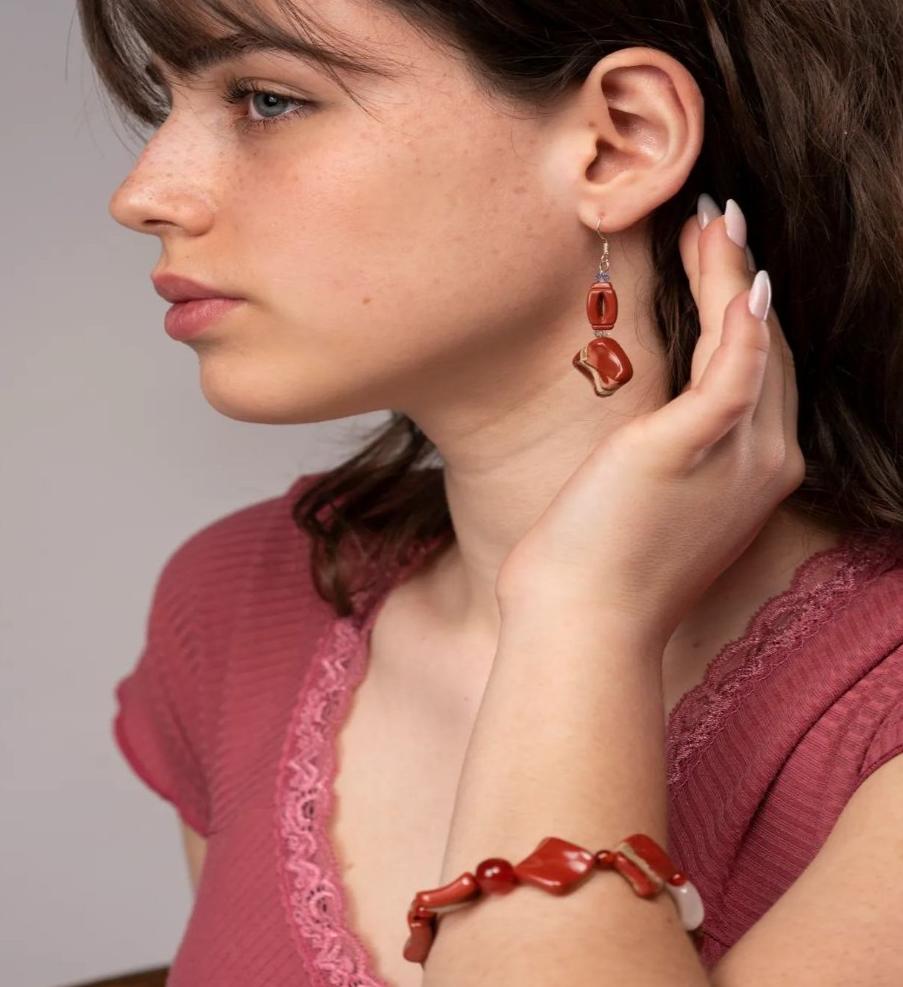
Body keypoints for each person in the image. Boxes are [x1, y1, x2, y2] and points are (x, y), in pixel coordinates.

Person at [77, 1, 903, 984]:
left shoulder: (874, 709)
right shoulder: (239, 608)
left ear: (619, 145)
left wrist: (582, 618)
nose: (143, 193)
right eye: (164, 104)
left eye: (267, 99)